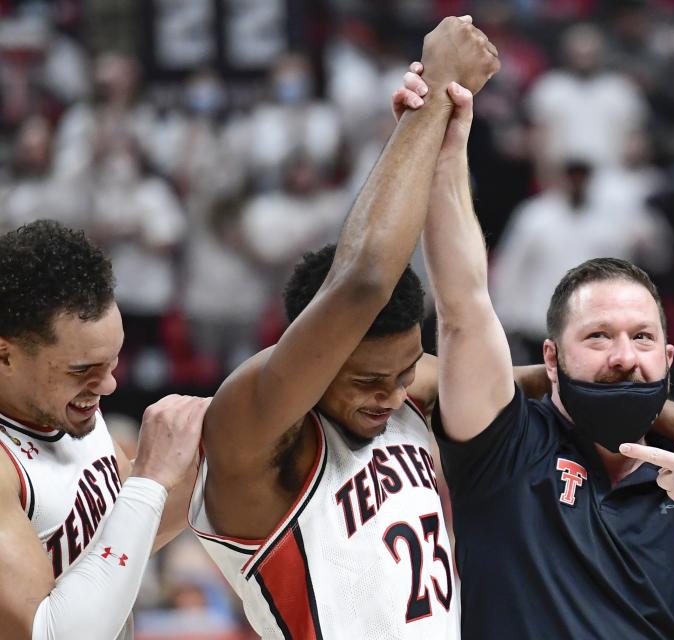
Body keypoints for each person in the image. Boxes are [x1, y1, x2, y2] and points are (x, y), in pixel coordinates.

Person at [402, 67, 674, 639]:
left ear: (667, 355)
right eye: (597, 336)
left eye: (641, 337)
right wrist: (448, 138)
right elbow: (464, 307)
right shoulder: (506, 441)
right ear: (551, 356)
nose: (622, 354)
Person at [187, 16, 502, 640]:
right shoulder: (252, 427)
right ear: (318, 351)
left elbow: (526, 385)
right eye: (367, 379)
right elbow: (362, 281)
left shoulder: (405, 392)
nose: (390, 393)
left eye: (405, 371)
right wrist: (436, 91)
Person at [0, 220, 208, 640]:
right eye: (84, 371)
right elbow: (55, 635)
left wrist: (205, 462)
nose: (109, 386)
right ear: (5, 355)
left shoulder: (68, 411)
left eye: (113, 363)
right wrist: (150, 479)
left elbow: (123, 546)